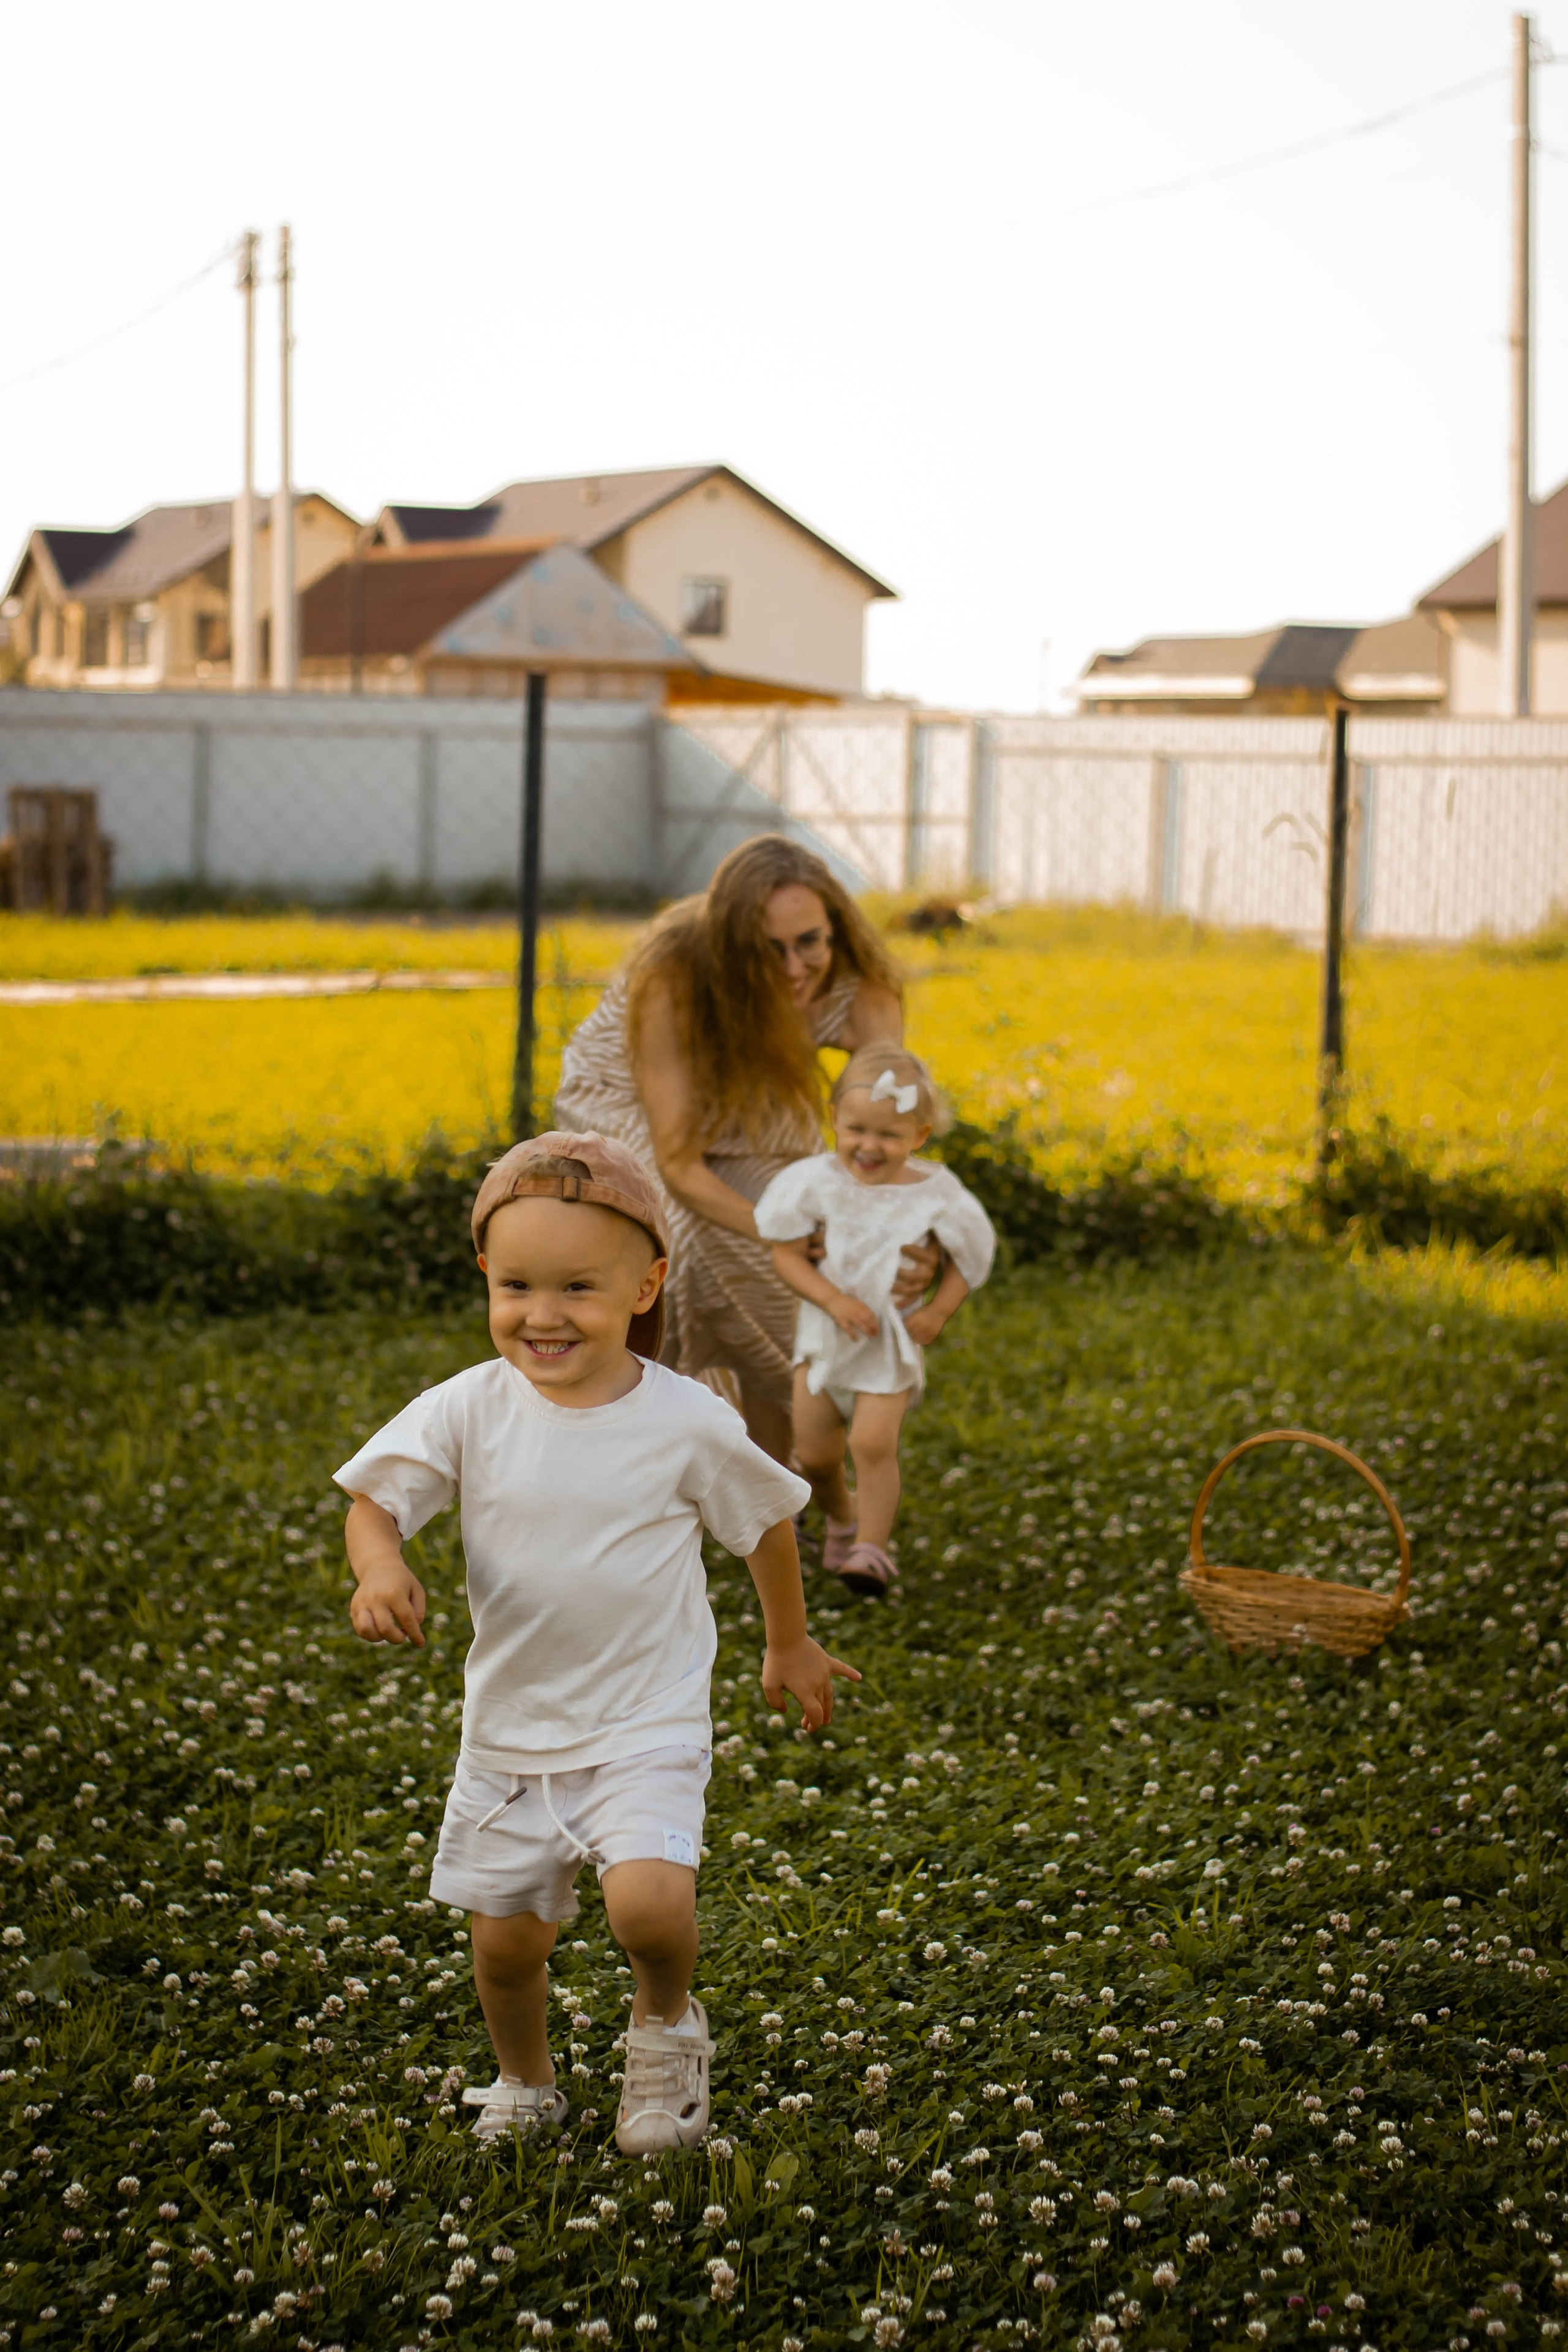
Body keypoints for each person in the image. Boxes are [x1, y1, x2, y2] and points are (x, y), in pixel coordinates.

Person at [334, 1131, 858, 2153]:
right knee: (505, 1944)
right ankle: (526, 2083)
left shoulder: (684, 1421)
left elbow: (764, 1523)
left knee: (650, 1910)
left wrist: (787, 1644)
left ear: (646, 1284)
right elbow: (372, 1502)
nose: (543, 1315)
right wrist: (381, 1567)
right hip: (512, 1729)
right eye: (517, 1284)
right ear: (485, 1273)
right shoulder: (468, 1408)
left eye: (578, 1287)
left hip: (643, 1719)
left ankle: (665, 2029)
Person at [554, 834, 937, 1470]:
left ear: (834, 928)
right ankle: (649, 1441)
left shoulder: (864, 992)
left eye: (809, 942)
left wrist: (911, 1238)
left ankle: (781, 1472)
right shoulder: (674, 977)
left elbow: (883, 1146)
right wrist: (789, 1231)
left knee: (819, 1251)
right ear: (732, 948)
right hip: (628, 1102)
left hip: (747, 1089)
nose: (793, 968)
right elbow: (678, 1164)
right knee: (683, 1242)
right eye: (768, 950)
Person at [755, 1047, 995, 1597]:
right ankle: (841, 1518)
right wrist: (833, 1299)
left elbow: (969, 1258)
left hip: (888, 1347)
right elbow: (785, 1254)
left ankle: (870, 1549)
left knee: (872, 1444)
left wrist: (938, 1309)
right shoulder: (813, 1182)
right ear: (834, 1119)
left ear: (920, 1134)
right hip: (823, 1340)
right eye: (856, 1129)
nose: (869, 1145)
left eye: (889, 1135)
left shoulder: (937, 1192)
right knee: (816, 1455)